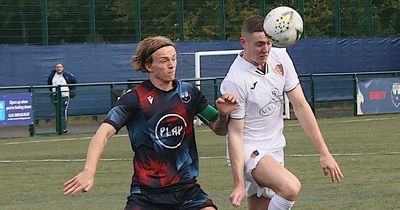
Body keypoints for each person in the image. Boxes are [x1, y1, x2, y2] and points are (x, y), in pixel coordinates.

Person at [63, 36, 238, 210]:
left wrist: (223, 115)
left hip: (186, 190)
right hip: (146, 195)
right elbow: (102, 134)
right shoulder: (133, 99)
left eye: (174, 58)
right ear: (149, 66)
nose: (171, 64)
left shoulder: (190, 93)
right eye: (164, 61)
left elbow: (219, 128)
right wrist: (89, 171)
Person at [220, 15, 344, 210]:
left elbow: (301, 106)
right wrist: (239, 182)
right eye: (260, 44)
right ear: (244, 42)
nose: (266, 49)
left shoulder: (281, 58)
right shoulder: (235, 80)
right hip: (249, 151)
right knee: (290, 187)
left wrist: (324, 153)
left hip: (275, 148)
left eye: (269, 43)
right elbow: (235, 133)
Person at [47, 63, 77, 134]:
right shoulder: (52, 76)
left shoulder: (67, 75)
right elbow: (49, 84)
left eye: (60, 67)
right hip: (56, 96)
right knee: (57, 112)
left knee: (63, 112)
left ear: (62, 68)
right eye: (57, 67)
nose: (59, 68)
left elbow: (74, 81)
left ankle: (64, 128)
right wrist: (52, 92)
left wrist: (71, 92)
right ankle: (58, 128)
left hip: (64, 96)